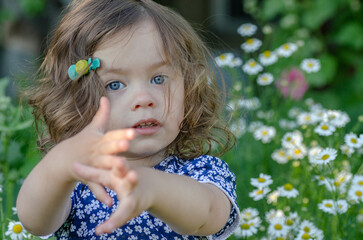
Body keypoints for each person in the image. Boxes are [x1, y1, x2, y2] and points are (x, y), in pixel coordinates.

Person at [16, 0, 240, 239]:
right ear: (78, 101)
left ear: (187, 85)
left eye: (158, 79)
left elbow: (207, 215)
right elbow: (34, 221)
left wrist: (150, 188)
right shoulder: (79, 180)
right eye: (115, 84)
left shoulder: (199, 172)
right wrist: (60, 165)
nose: (144, 99)